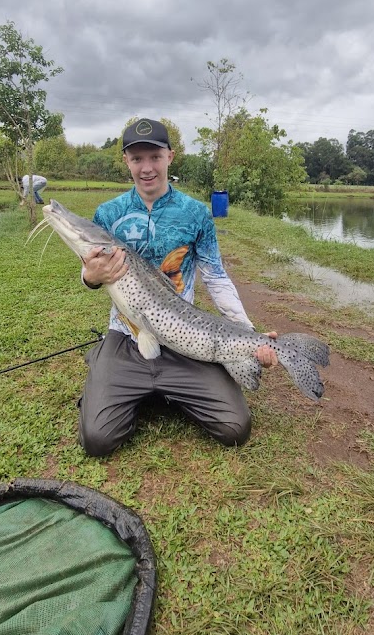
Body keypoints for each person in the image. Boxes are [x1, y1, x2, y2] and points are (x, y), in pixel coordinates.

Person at [77, 117, 278, 457]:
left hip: (186, 339)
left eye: (154, 156)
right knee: (97, 439)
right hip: (126, 334)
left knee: (234, 428)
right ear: (126, 161)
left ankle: (161, 387)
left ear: (170, 156)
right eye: (137, 158)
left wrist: (247, 330)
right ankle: (108, 363)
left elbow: (216, 277)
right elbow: (89, 272)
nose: (146, 168)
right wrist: (90, 277)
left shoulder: (196, 214)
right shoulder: (108, 214)